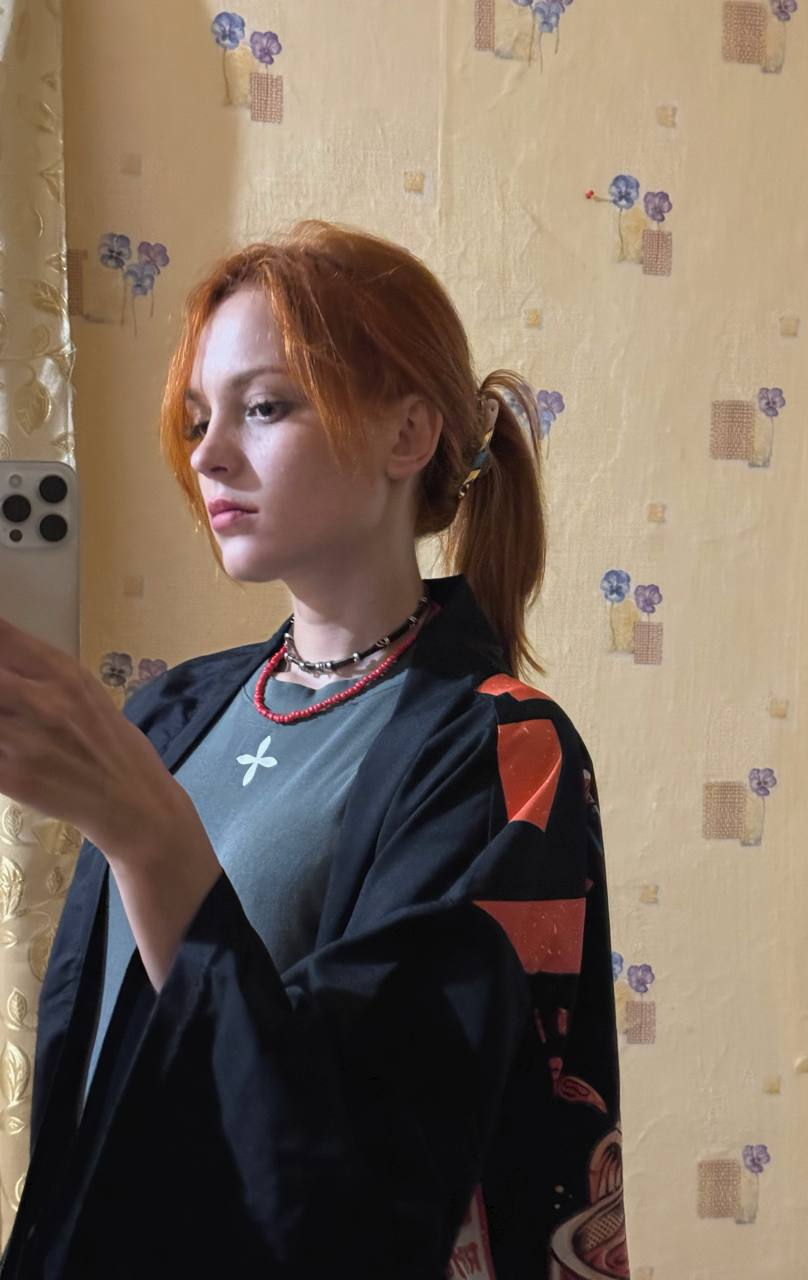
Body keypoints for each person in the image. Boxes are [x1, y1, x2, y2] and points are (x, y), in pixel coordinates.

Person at [0, 220, 629, 1278]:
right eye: (198, 418)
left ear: (407, 433)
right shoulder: (170, 713)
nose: (207, 453)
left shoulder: (503, 751)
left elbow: (367, 1185)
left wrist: (151, 840)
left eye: (263, 406)